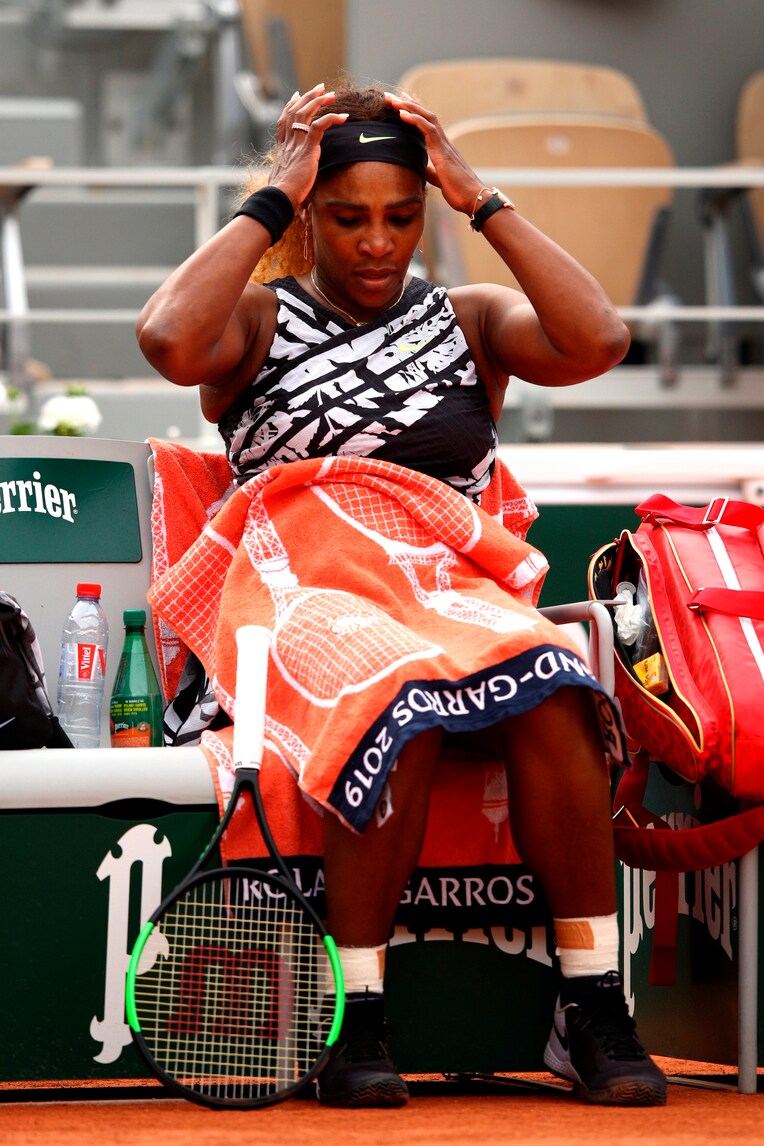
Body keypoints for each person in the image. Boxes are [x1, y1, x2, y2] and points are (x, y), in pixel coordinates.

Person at [137, 80, 667, 1110]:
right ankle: (358, 1015)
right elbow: (167, 340)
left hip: (446, 589)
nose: (378, 243)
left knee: (557, 687)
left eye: (401, 216)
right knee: (396, 691)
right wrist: (271, 199)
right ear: (308, 215)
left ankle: (590, 1005)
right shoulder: (254, 319)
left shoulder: (468, 319)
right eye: (347, 218)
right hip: (301, 589)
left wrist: (480, 197)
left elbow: (598, 340)